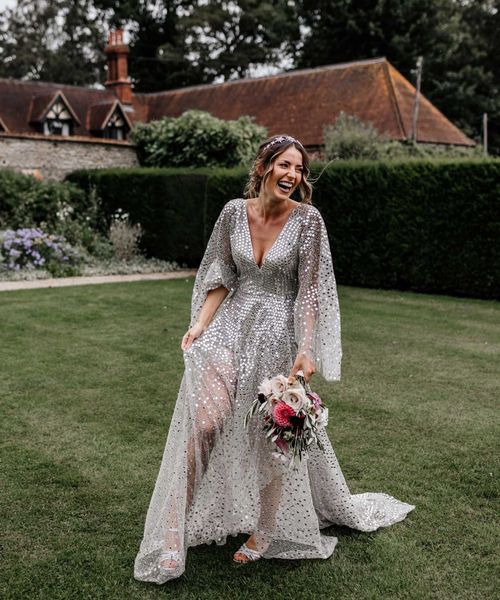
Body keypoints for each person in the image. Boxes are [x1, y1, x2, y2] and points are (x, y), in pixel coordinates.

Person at [134, 134, 414, 584]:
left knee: (274, 437)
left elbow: (310, 291)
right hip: (229, 328)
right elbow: (221, 275)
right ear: (264, 166)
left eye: (300, 169)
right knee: (204, 425)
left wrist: (307, 348)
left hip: (278, 337)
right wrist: (201, 323)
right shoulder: (231, 212)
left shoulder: (309, 222)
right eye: (285, 165)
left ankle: (264, 532)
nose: (293, 175)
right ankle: (171, 533)